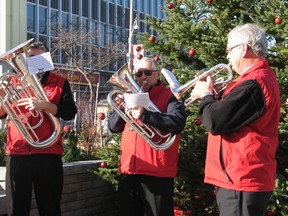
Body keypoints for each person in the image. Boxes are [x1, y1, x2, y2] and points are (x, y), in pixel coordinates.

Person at [190, 23, 280, 216]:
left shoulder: (254, 83)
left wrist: (206, 95)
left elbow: (215, 121)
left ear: (243, 49)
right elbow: (228, 113)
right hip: (238, 178)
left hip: (242, 178)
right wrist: (211, 94)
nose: (228, 57)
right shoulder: (253, 80)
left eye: (229, 50)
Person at [0, 41, 77, 216]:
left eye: (39, 57)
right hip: (17, 152)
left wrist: (44, 105)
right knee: (17, 209)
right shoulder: (13, 81)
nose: (33, 61)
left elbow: (70, 112)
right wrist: (2, 96)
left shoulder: (60, 82)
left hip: (48, 152)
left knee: (50, 207)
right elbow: (2, 114)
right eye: (30, 58)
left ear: (47, 58)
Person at [108, 57, 186, 216]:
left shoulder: (169, 96)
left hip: (156, 171)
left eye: (147, 72)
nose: (142, 77)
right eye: (139, 73)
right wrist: (121, 107)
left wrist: (146, 115)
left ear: (157, 75)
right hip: (129, 170)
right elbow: (113, 127)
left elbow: (177, 122)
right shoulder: (129, 96)